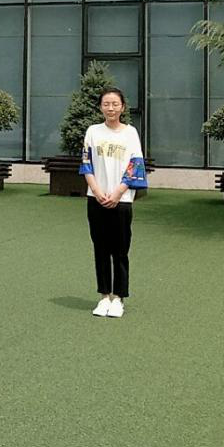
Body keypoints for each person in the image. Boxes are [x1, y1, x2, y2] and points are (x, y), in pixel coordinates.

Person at [79, 87, 147, 318]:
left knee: (120, 250)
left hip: (122, 199)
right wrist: (97, 191)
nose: (110, 108)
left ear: (122, 107)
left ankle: (118, 298)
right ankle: (104, 297)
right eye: (106, 104)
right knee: (100, 249)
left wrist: (118, 192)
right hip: (96, 198)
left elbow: (135, 165)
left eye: (115, 104)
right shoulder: (93, 131)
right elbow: (86, 164)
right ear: (100, 107)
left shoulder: (130, 133)